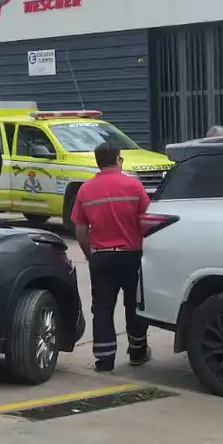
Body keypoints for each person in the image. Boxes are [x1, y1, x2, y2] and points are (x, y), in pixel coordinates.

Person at [71, 141, 152, 372]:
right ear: (118, 159)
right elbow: (147, 220)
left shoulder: (86, 190)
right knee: (133, 304)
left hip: (101, 257)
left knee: (103, 308)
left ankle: (104, 359)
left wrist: (90, 255)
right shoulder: (133, 185)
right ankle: (137, 352)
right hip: (131, 256)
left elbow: (79, 229)